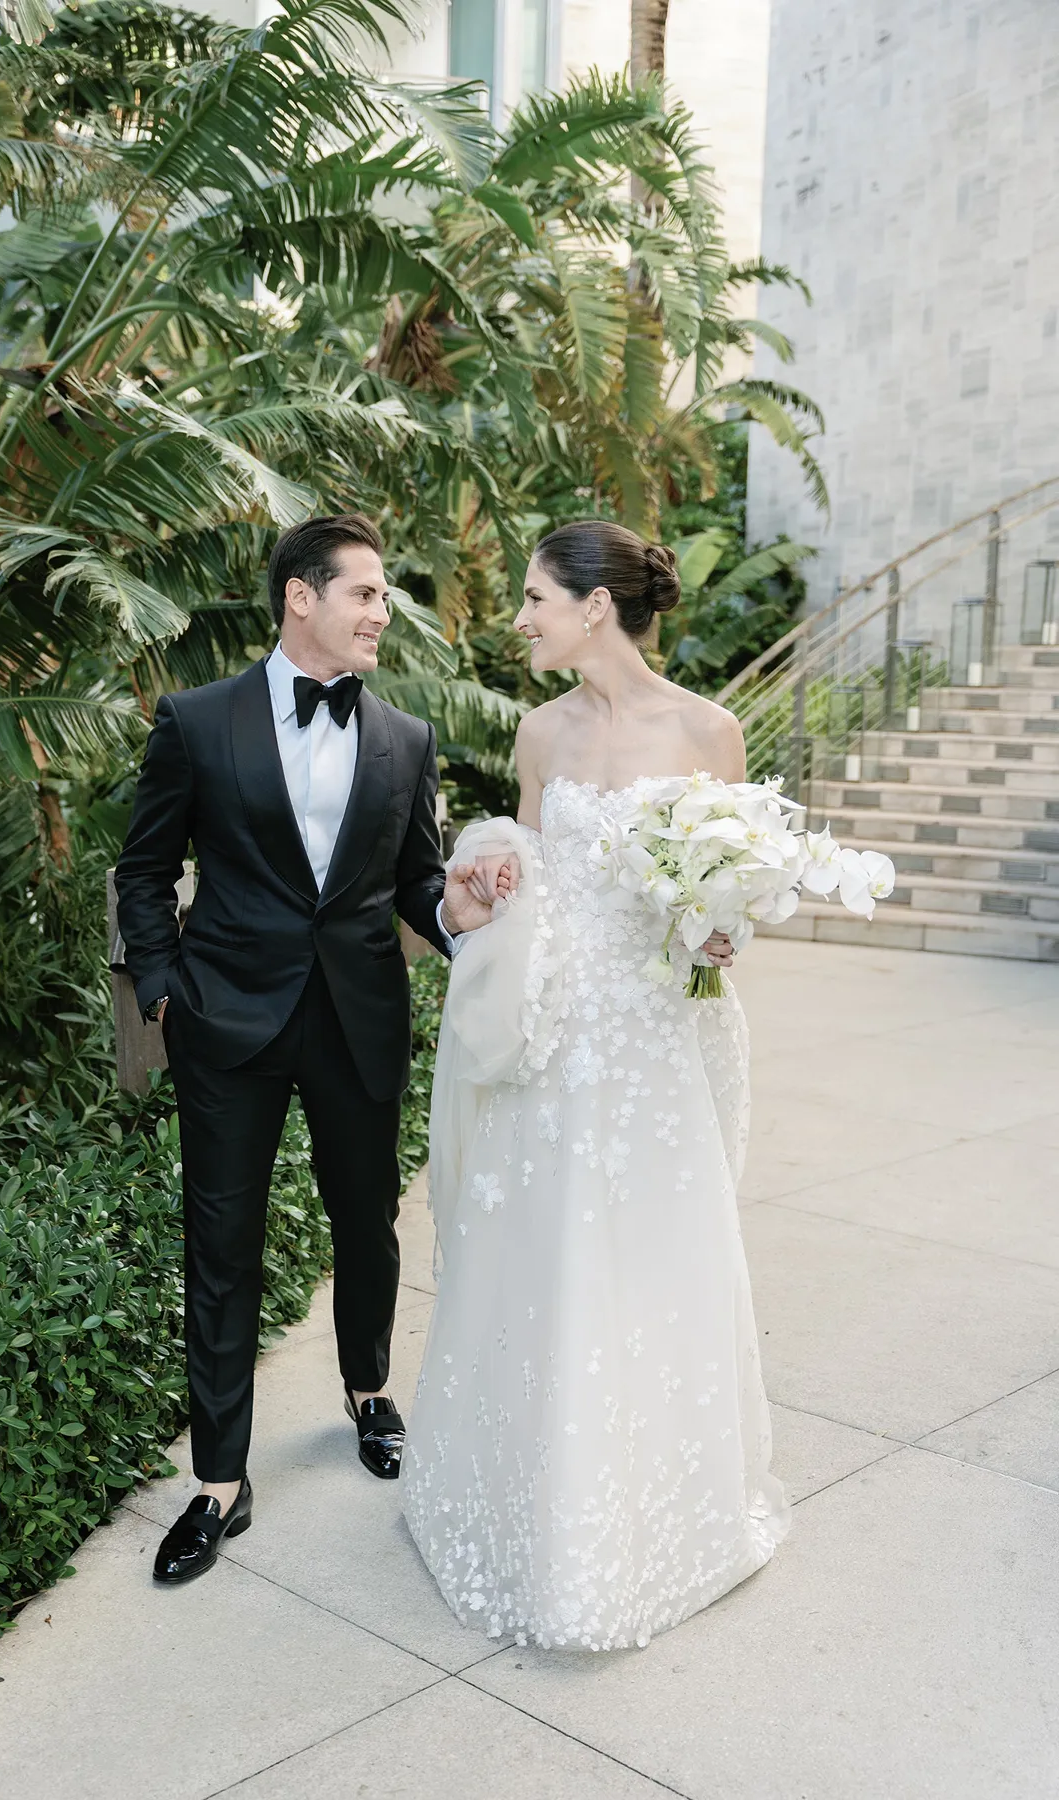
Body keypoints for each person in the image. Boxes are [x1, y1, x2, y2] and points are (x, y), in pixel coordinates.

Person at [402, 519, 790, 1650]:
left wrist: (719, 935)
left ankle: (655, 1515)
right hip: (557, 1046)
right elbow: (530, 887)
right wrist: (491, 879)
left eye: (533, 598)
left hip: (656, 1043)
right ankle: (529, 1505)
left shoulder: (711, 732)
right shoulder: (537, 735)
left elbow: (727, 895)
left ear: (594, 607)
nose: (518, 618)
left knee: (657, 1265)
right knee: (542, 1265)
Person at [115, 514, 503, 1585]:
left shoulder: (407, 739)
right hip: (226, 1018)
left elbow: (416, 884)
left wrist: (459, 907)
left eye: (384, 597)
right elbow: (143, 872)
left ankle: (368, 1391)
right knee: (221, 1241)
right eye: (367, 593)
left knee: (366, 1220)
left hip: (357, 1015)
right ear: (301, 596)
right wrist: (164, 990)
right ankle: (220, 1481)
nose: (383, 612)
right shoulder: (196, 721)